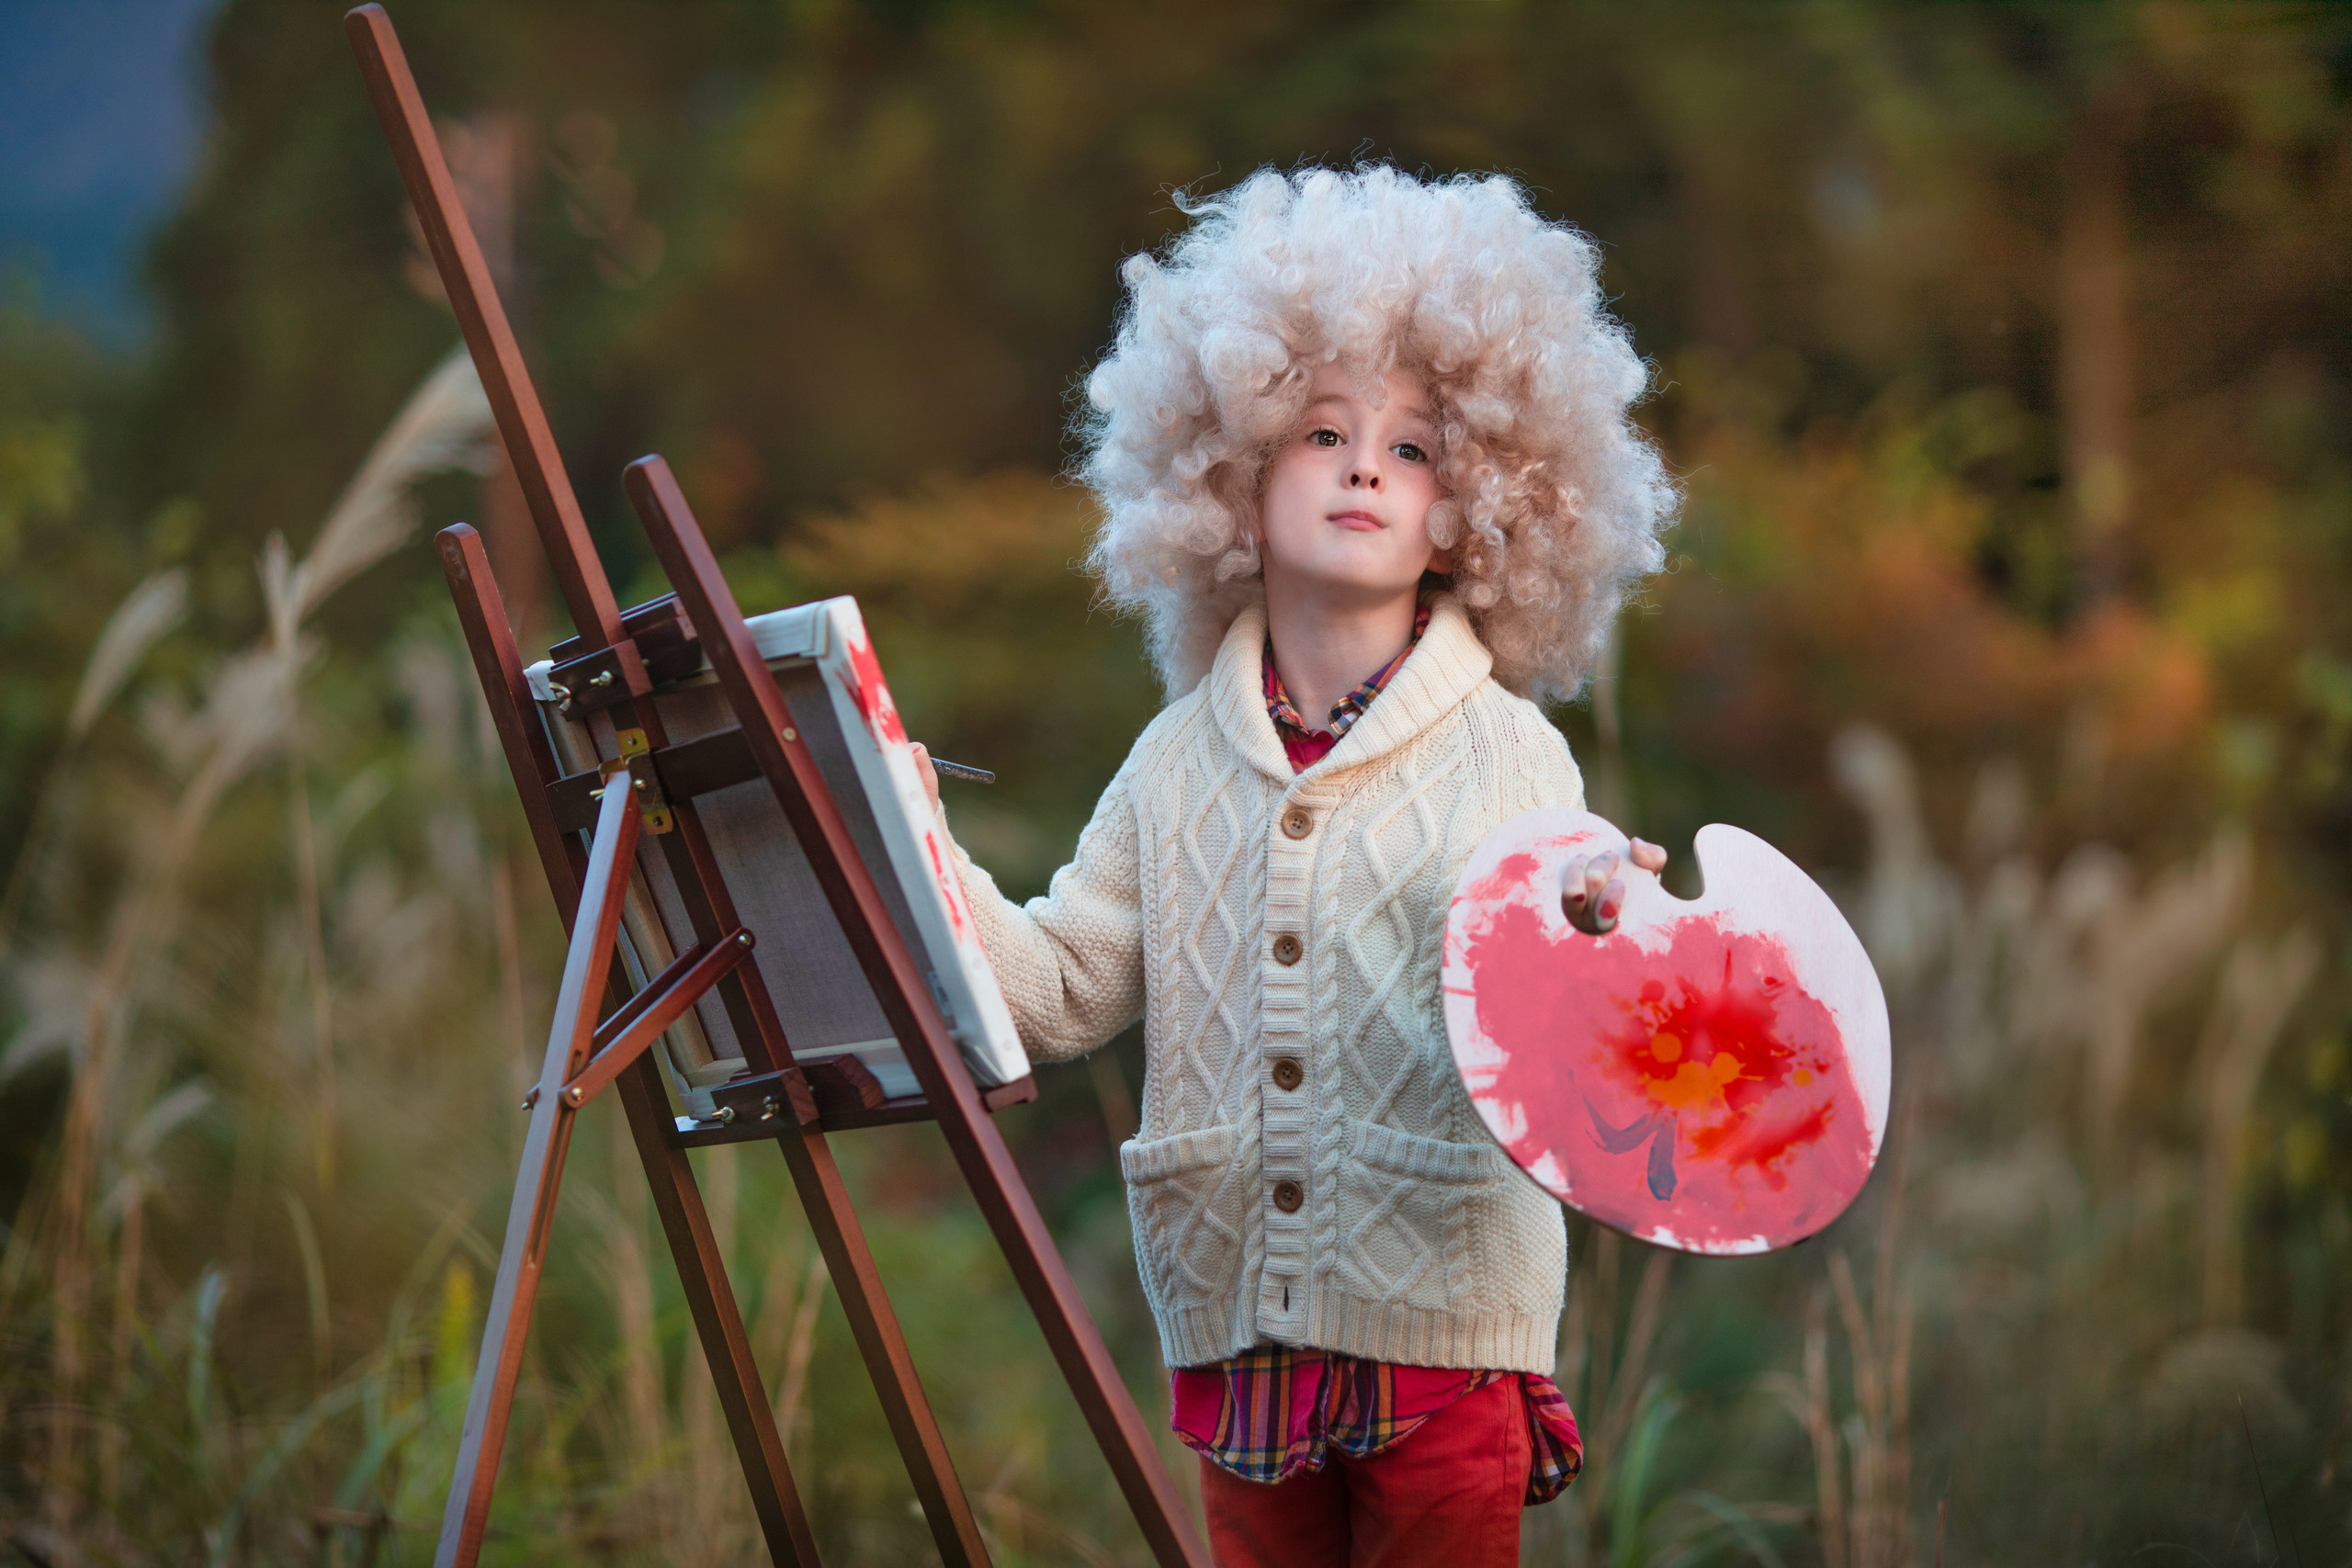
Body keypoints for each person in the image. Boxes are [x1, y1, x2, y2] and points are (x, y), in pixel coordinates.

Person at [912, 165, 1678, 1567]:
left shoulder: (1509, 753)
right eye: (1324, 430)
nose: (1366, 465)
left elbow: (1558, 978)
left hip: (1446, 1340)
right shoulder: (1172, 764)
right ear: (1230, 467)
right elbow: (1059, 990)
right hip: (1239, 1348)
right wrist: (912, 837)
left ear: (1479, 504)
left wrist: (1600, 919)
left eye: (1417, 447)